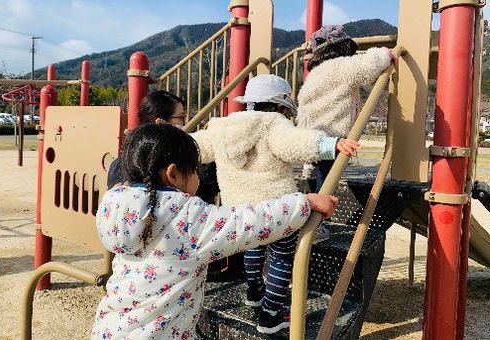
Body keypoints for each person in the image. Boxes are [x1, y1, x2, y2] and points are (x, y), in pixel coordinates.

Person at [90, 123, 339, 339]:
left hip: (110, 329)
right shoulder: (186, 219)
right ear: (173, 173)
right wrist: (305, 203)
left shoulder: (117, 207)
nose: (199, 174)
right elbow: (249, 223)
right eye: (196, 169)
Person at [190, 74, 359, 334]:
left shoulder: (222, 127)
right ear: (280, 107)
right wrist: (331, 144)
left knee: (253, 247)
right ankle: (271, 315)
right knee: (281, 258)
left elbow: (197, 146)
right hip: (279, 211)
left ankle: (254, 291)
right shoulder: (273, 124)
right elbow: (297, 144)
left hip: (241, 212)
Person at [297, 25, 395, 191]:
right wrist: (386, 54)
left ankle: (314, 194)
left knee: (322, 173)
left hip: (311, 136)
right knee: (328, 181)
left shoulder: (314, 74)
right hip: (332, 138)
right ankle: (322, 210)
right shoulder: (340, 66)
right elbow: (368, 65)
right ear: (343, 47)